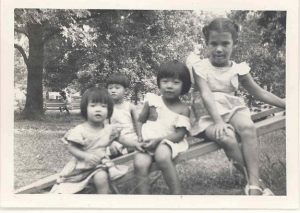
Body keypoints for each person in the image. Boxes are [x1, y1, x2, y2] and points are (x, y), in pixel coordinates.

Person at [186, 17, 285, 195]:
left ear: (234, 43)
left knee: (247, 127)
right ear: (206, 43)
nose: (219, 49)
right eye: (213, 43)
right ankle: (257, 182)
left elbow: (259, 92)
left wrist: (285, 104)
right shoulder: (200, 67)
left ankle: (253, 185)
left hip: (231, 108)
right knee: (227, 137)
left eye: (225, 43)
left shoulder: (238, 69)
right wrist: (217, 121)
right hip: (207, 114)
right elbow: (206, 94)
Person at [50, 88, 128, 194]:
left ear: (109, 110)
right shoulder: (80, 130)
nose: (98, 109)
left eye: (103, 106)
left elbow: (122, 139)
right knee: (66, 189)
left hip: (100, 164)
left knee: (101, 177)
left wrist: (137, 144)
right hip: (82, 165)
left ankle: (103, 202)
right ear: (85, 109)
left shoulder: (109, 129)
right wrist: (86, 156)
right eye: (93, 106)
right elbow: (71, 147)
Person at [134, 60, 191, 194]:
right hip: (147, 143)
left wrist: (159, 140)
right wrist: (140, 137)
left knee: (162, 155)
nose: (169, 86)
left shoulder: (183, 109)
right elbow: (140, 121)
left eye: (176, 82)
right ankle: (144, 201)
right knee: (139, 163)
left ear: (184, 86)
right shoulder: (152, 100)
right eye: (165, 81)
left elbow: (179, 134)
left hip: (169, 142)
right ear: (159, 83)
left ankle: (177, 195)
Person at [106, 74, 143, 158]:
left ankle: (128, 153)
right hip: (115, 137)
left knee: (135, 144)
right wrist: (110, 142)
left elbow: (138, 123)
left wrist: (140, 136)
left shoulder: (130, 106)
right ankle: (118, 157)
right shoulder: (108, 108)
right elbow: (105, 126)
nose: (113, 90)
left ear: (125, 91)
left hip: (130, 136)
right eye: (110, 88)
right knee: (111, 149)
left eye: (117, 88)